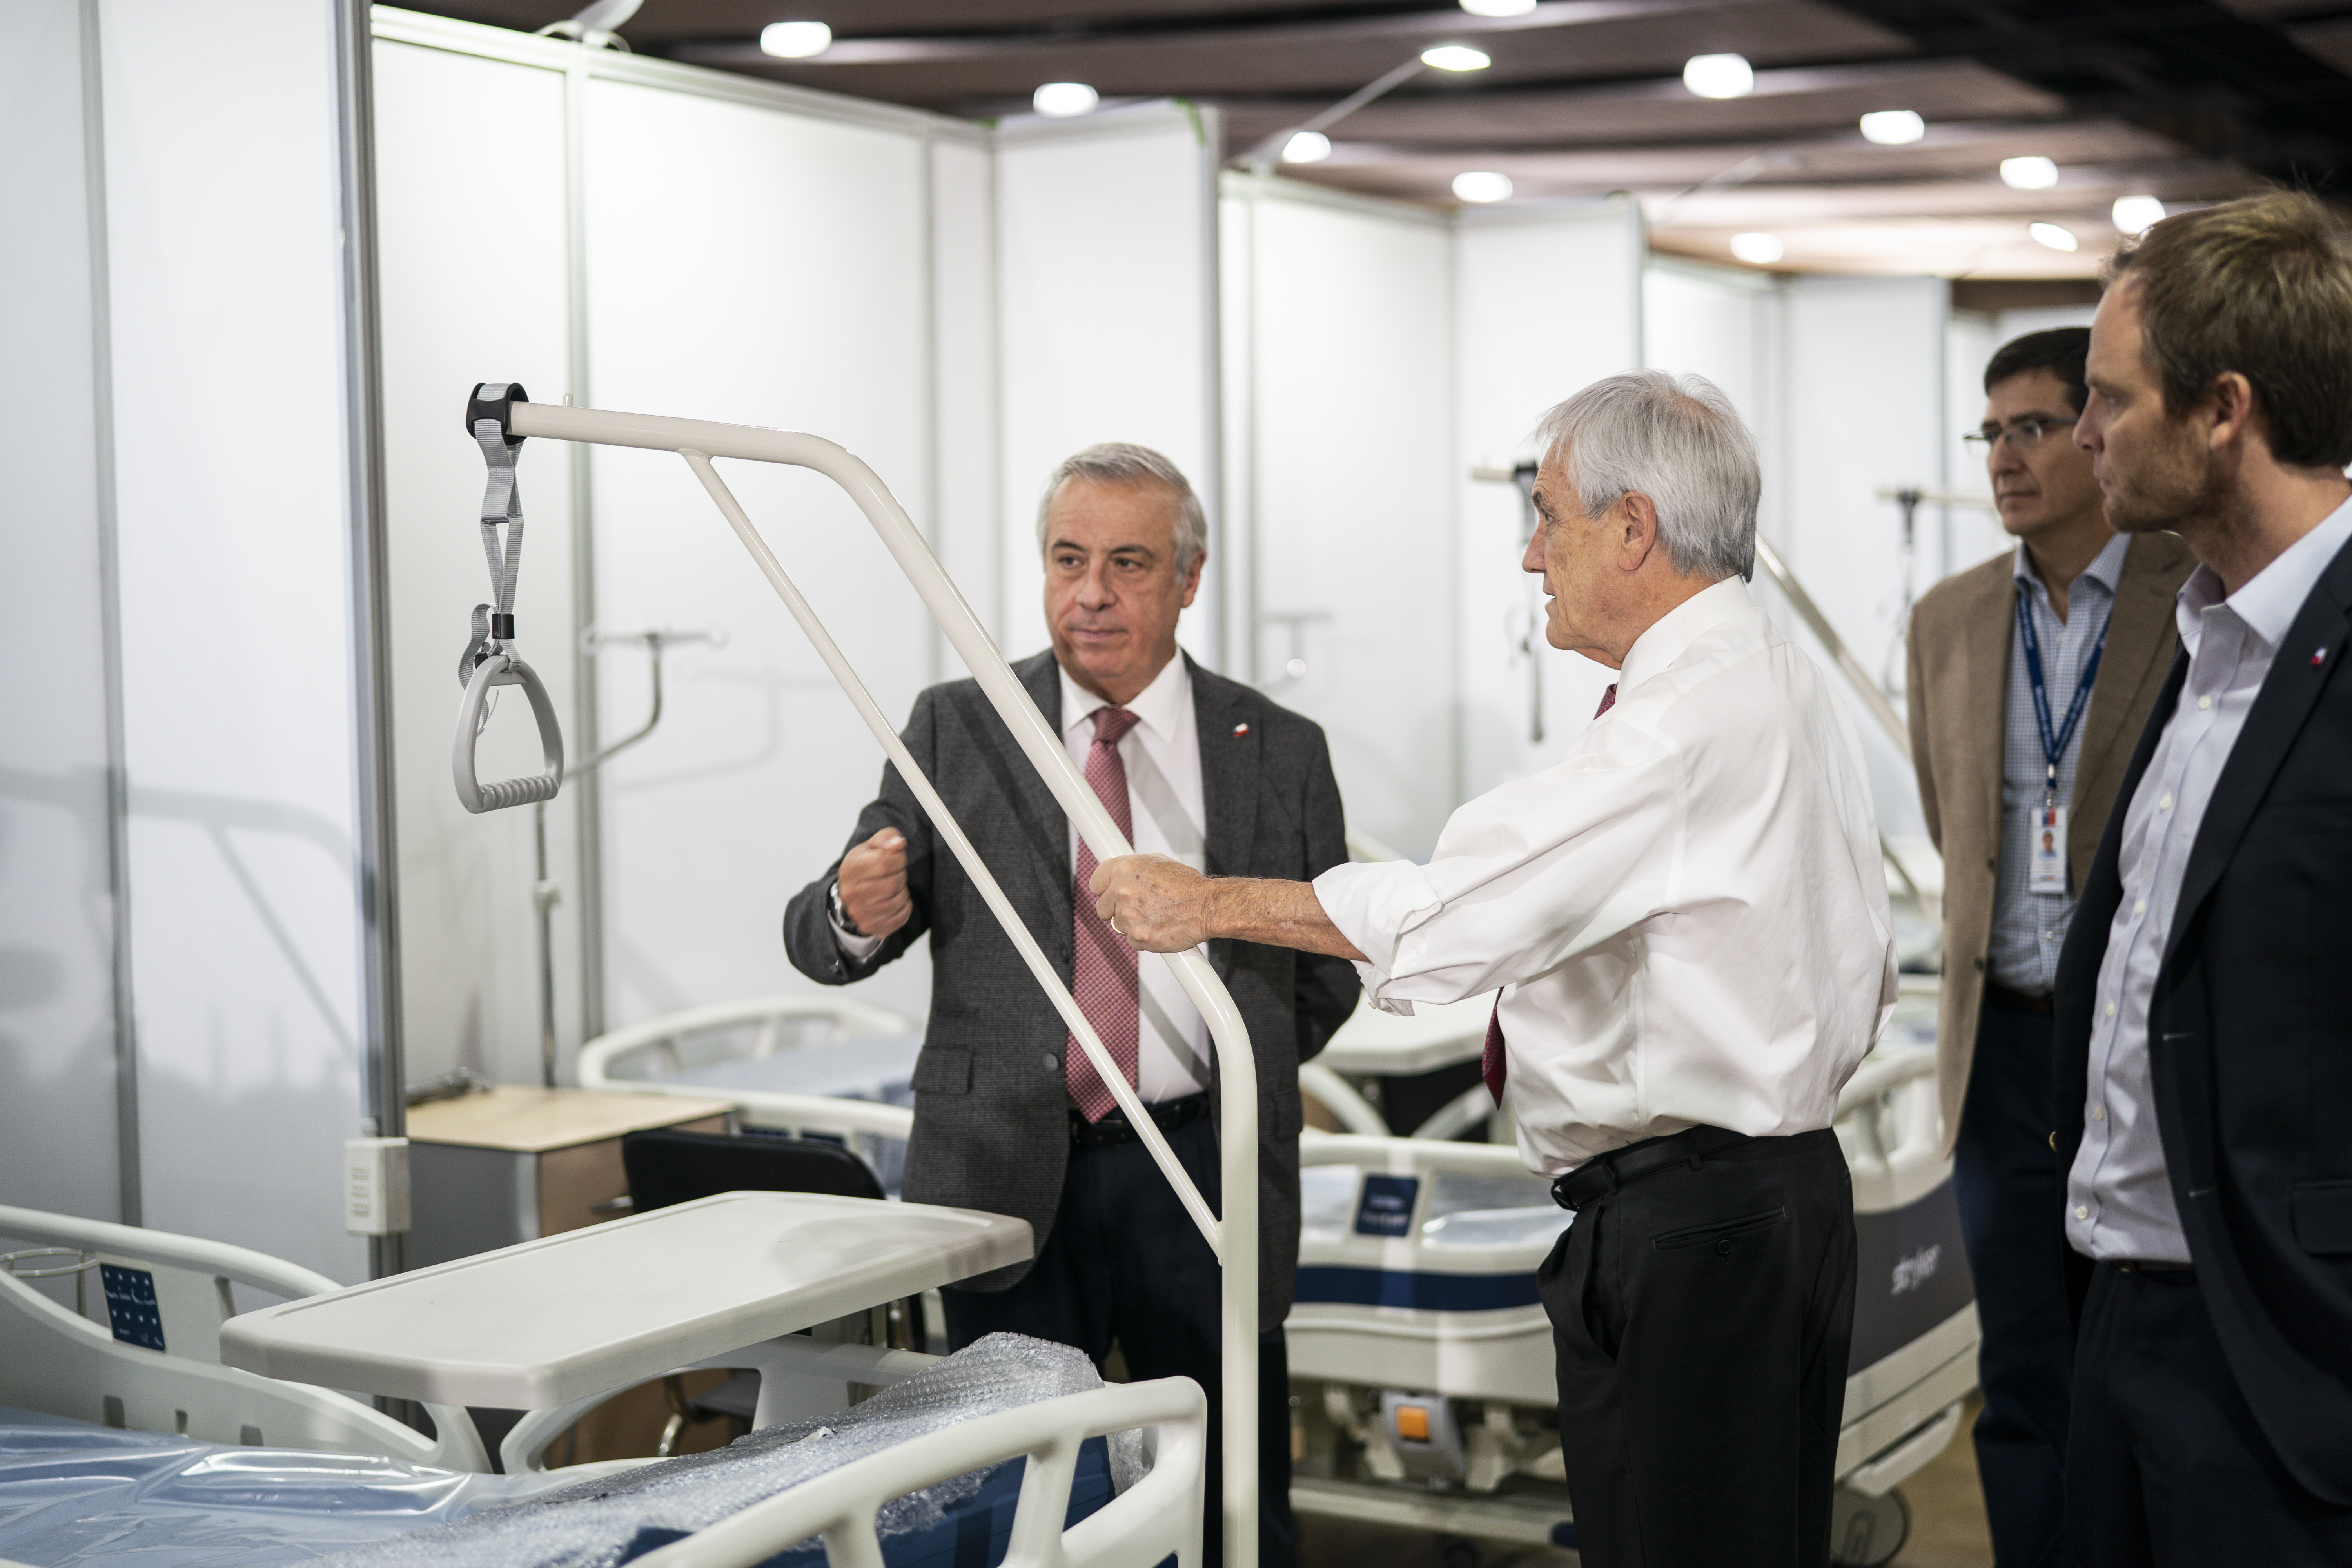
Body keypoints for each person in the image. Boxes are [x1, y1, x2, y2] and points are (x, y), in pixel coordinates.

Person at [1093, 371, 1896, 1568]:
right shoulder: (1773, 681)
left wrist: (1208, 904)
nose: (1532, 558)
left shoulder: (1686, 720)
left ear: (1633, 529)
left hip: (1700, 1226)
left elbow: (1458, 912)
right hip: (1755, 1201)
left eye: (1549, 517)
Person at [782, 442, 1358, 1568]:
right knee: (1004, 1506)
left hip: (1204, 1170)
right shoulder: (960, 726)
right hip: (1003, 1171)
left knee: (1234, 1499)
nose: (1090, 593)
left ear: (1189, 580)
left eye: (1129, 563)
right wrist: (857, 907)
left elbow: (1324, 970)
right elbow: (827, 937)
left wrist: (1222, 1059)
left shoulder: (1278, 751)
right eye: (1067, 559)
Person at [2053, 191, 2352, 1564]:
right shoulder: (2206, 636)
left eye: (2111, 400)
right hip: (2123, 1321)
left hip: (2287, 1363)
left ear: (2222, 409)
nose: (2083, 436)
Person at [1903, 328, 2192, 1568]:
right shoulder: (1952, 620)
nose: (2007, 458)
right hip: (2003, 1054)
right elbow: (1948, 821)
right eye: (1991, 433)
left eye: (2033, 426)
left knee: (2152, 1367)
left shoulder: (2197, 595)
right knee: (2021, 1371)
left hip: (2144, 1048)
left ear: (2095, 429)